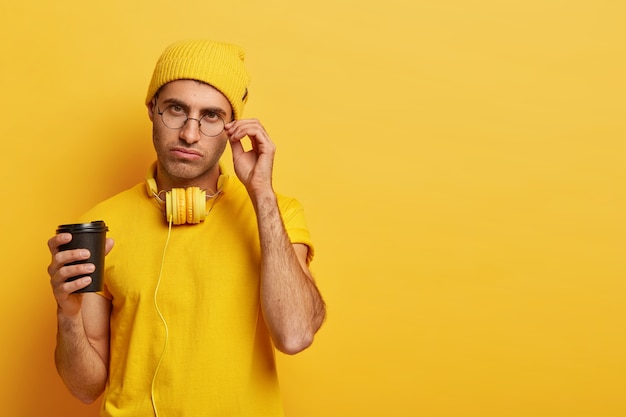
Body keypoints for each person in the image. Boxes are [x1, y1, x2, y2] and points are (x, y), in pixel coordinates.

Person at [46, 39, 326, 416]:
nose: (189, 135)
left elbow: (294, 335)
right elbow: (85, 388)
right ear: (151, 109)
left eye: (211, 116)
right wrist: (68, 315)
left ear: (232, 128)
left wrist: (261, 195)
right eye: (176, 109)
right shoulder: (99, 227)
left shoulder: (277, 215)